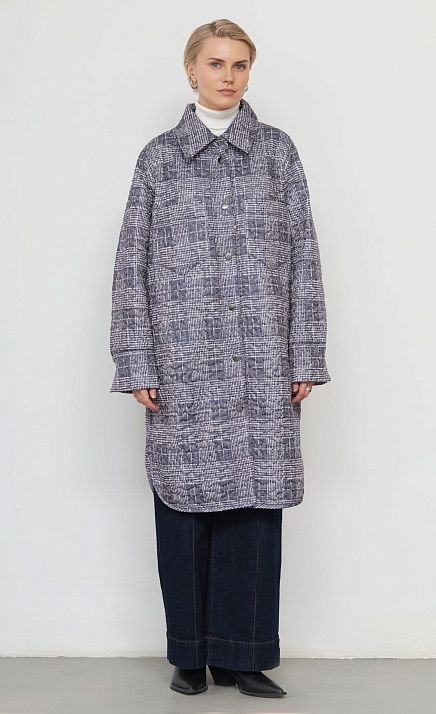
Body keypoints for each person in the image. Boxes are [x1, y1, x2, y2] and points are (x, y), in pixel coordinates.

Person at [109, 18, 331, 699]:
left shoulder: (277, 153)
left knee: (255, 508)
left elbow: (304, 257)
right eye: (216, 63)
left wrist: (305, 353)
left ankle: (245, 654)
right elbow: (131, 265)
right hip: (182, 364)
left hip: (262, 359)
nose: (228, 76)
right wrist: (137, 360)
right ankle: (190, 653)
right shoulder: (158, 159)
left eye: (239, 65)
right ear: (192, 70)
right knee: (183, 505)